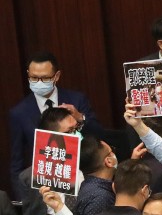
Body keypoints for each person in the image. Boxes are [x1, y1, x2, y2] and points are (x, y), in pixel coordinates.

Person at [9, 51, 101, 198]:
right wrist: (26, 199)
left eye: (45, 78)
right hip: (45, 188)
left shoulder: (77, 99)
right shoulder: (19, 113)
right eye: (34, 77)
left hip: (83, 180)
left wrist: (80, 118)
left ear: (56, 76)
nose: (38, 82)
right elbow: (16, 162)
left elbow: (98, 135)